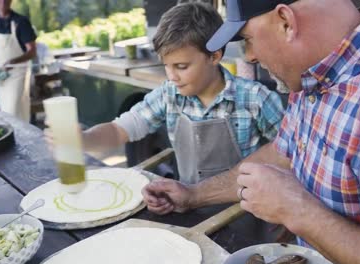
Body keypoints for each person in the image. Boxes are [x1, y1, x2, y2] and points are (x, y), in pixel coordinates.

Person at [142, 0, 360, 264]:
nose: (251, 56)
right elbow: (283, 152)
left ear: (286, 21)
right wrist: (193, 195)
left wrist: (297, 210)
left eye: (247, 40)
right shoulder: (313, 75)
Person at [45, 2, 285, 185]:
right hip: (190, 206)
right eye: (166, 66)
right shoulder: (169, 95)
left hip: (247, 213)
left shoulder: (255, 99)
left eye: (181, 67)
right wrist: (84, 140)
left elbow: (289, 157)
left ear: (214, 56)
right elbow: (119, 131)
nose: (171, 76)